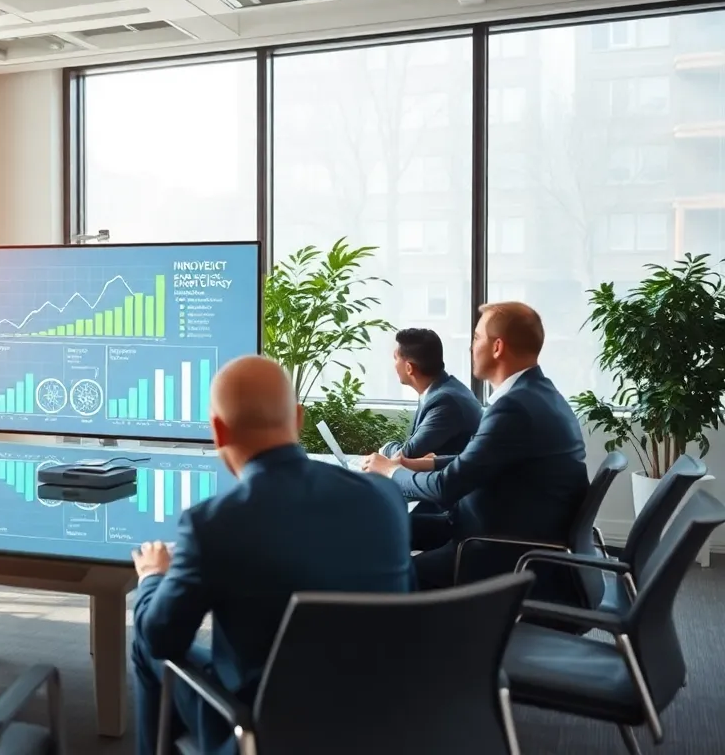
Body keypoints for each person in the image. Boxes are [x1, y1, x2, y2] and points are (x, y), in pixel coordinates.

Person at [131, 356, 412, 755]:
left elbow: (163, 638)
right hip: (385, 721)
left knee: (145, 641)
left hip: (264, 734)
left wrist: (153, 577)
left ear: (218, 431)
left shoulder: (213, 524)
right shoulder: (384, 497)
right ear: (297, 418)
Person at [363, 302, 589, 592]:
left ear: (497, 347)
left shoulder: (515, 407)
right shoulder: (538, 394)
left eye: (477, 338)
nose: (471, 347)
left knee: (379, 577)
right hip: (486, 529)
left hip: (494, 550)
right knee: (379, 527)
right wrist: (424, 463)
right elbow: (482, 460)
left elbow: (447, 487)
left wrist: (391, 471)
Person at [379, 328, 481, 459]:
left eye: (395, 358)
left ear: (409, 368)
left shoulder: (445, 402)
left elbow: (408, 454)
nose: (394, 365)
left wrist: (386, 448)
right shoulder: (441, 390)